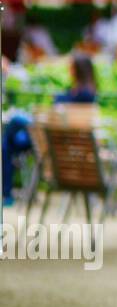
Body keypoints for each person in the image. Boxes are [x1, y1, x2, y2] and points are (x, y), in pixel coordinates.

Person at [2, 54, 99, 203]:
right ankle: (7, 194)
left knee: (15, 122)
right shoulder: (75, 91)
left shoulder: (84, 94)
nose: (69, 69)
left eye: (71, 67)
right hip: (46, 136)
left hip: (54, 140)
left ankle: (7, 194)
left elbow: (64, 116)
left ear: (78, 70)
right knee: (7, 145)